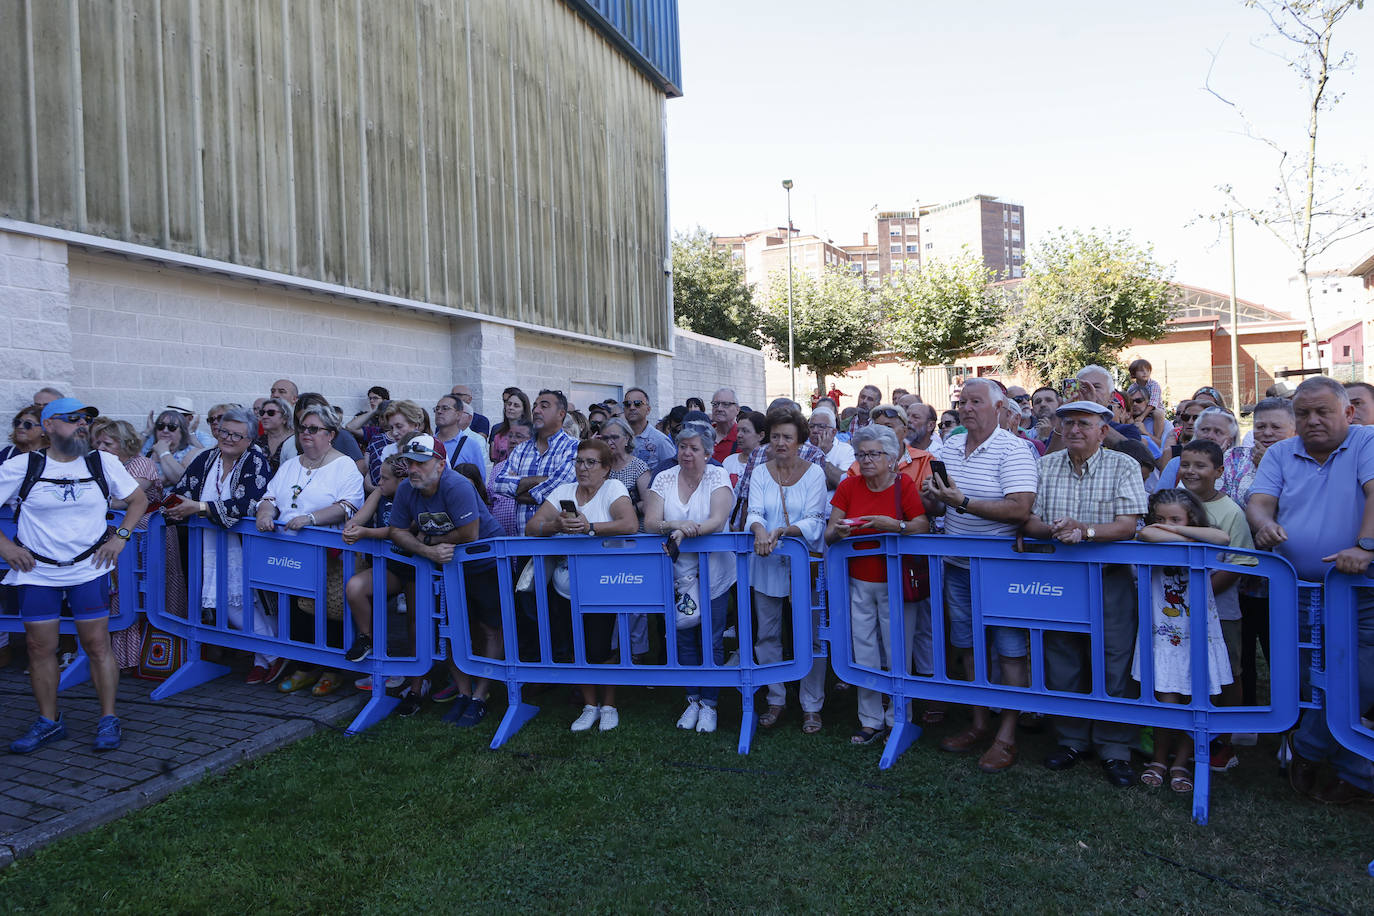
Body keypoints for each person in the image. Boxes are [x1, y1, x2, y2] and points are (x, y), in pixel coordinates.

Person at [1247, 376, 1374, 804]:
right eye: (1303, 413)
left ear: (1348, 413)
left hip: (1359, 588)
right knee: (1307, 678)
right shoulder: (1281, 452)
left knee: (1361, 676)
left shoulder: (1366, 441)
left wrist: (1365, 546)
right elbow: (1259, 502)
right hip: (1299, 590)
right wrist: (1264, 525)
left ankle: (1310, 747)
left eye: (1323, 411)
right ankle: (1354, 772)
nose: (1313, 420)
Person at [3, 397, 148, 753]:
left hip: (88, 569)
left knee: (97, 645)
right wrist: (6, 548)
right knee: (40, 648)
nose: (82, 425)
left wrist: (120, 538)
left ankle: (108, 718)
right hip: (37, 572)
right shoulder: (24, 465)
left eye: (85, 419)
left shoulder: (103, 462)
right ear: (49, 425)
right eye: (72, 419)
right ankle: (49, 721)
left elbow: (139, 501)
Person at [1022, 399, 1148, 788]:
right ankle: (1072, 740)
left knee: (1114, 659)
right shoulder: (1044, 465)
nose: (1074, 430)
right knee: (1062, 657)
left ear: (1103, 430)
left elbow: (1128, 525)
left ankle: (1115, 747)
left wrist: (1085, 531)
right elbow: (1028, 519)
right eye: (1068, 423)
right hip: (1059, 578)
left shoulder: (1123, 465)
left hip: (1109, 578)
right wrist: (1052, 530)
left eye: (1084, 423)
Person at [920, 378, 1038, 772]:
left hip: (1003, 567)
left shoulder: (1014, 449)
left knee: (1009, 650)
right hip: (958, 564)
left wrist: (963, 501)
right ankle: (979, 723)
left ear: (999, 407)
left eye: (976, 402)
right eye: (962, 402)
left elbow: (1020, 509)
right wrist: (933, 498)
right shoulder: (949, 447)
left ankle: (1007, 736)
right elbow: (941, 509)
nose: (967, 408)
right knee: (968, 645)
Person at [825, 425, 928, 745]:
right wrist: (840, 531)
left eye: (873, 454)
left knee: (898, 651)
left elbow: (922, 525)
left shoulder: (903, 485)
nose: (866, 460)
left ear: (890, 457)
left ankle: (899, 718)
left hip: (896, 583)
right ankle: (869, 720)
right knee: (864, 651)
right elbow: (829, 533)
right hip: (858, 580)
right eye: (861, 455)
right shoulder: (849, 486)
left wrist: (895, 526)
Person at [526, 439, 639, 731]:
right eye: (579, 461)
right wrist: (556, 526)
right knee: (577, 646)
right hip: (564, 587)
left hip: (604, 586)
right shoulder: (564, 491)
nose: (583, 468)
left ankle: (609, 706)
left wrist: (590, 528)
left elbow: (629, 524)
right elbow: (532, 527)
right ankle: (590, 706)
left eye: (591, 462)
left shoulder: (613, 488)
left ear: (606, 468)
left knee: (602, 648)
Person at [163, 406, 281, 684]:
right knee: (230, 603)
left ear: (249, 439)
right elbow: (183, 491)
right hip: (209, 545)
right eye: (224, 432)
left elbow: (248, 503)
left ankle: (270, 655)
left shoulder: (255, 461)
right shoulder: (206, 458)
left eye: (236, 435)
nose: (228, 438)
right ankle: (268, 656)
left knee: (249, 603)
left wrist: (200, 507)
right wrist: (175, 508)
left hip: (246, 545)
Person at [255, 404, 365, 699]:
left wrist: (311, 518)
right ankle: (305, 666)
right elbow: (270, 496)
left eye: (314, 429)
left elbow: (348, 505)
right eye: (303, 428)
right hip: (290, 552)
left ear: (331, 434)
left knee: (330, 609)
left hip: (330, 553)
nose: (306, 433)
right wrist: (265, 513)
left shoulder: (344, 466)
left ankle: (333, 670)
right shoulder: (291, 465)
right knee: (295, 608)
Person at [1133, 487, 1233, 792]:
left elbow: (1223, 538)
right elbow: (1147, 534)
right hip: (1164, 633)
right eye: (1160, 518)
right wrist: (1190, 540)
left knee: (1198, 697)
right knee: (1165, 698)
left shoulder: (1203, 535)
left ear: (1192, 519)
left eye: (1175, 519)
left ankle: (1183, 761)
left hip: (1199, 632)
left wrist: (1177, 532)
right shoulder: (1150, 535)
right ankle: (1160, 759)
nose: (1165, 524)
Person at [643, 421, 736, 734]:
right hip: (677, 572)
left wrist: (687, 531)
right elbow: (651, 522)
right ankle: (692, 699)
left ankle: (710, 703)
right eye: (682, 447)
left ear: (707, 453)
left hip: (714, 572)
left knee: (711, 637)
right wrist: (677, 525)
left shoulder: (717, 475)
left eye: (694, 448)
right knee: (682, 634)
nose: (686, 453)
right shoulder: (664, 477)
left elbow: (717, 520)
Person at [745, 406, 828, 733]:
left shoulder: (815, 472)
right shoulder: (760, 472)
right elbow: (754, 510)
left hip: (805, 564)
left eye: (787, 437)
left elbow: (815, 519)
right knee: (767, 634)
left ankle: (812, 705)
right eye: (776, 436)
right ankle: (775, 698)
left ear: (800, 440)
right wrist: (759, 530)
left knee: (811, 636)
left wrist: (782, 532)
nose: (780, 443)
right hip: (766, 562)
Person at [1177, 437, 1255, 772]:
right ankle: (1185, 735)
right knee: (1183, 667)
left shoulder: (1231, 512)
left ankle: (1224, 741)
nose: (1191, 471)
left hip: (1220, 609)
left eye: (1200, 465)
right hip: (1175, 609)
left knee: (1228, 672)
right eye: (1185, 464)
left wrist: (1199, 594)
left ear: (1219, 471)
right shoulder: (1174, 504)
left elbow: (1239, 562)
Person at [1220, 397, 1296, 706]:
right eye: (1260, 426)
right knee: (1241, 652)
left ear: (1294, 428)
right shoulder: (1234, 458)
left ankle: (1290, 718)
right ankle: (1246, 714)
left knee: (1284, 651)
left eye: (1276, 427)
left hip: (1284, 576)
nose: (1266, 433)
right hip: (1237, 575)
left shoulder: (1300, 459)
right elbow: (1223, 504)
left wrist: (1269, 467)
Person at [90, 418, 166, 670]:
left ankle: (150, 660)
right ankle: (121, 658)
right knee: (119, 594)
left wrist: (89, 499)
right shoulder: (99, 464)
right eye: (97, 443)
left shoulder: (141, 464)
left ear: (125, 443)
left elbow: (125, 500)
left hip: (144, 538)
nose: (100, 448)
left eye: (107, 443)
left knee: (142, 595)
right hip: (115, 538)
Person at [489, 389, 579, 535]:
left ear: (561, 414)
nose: (536, 410)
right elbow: (499, 484)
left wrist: (518, 493)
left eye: (544, 406)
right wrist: (540, 480)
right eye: (535, 406)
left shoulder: (573, 447)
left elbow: (560, 490)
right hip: (523, 540)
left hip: (559, 540)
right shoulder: (521, 449)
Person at [844, 405, 933, 490]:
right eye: (877, 428)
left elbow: (930, 498)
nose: (882, 433)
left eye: (888, 427)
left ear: (904, 431)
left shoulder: (924, 460)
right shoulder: (861, 463)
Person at [1158, 407, 1238, 489]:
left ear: (1230, 439)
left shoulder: (1239, 468)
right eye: (1205, 430)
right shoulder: (1177, 463)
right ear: (1196, 433)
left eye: (1218, 432)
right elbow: (1162, 495)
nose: (1210, 436)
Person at [595, 417, 650, 519]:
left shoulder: (638, 467)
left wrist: (624, 512)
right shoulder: (599, 466)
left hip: (633, 524)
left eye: (614, 437)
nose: (609, 442)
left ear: (627, 439)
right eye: (605, 438)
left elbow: (648, 503)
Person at [489, 419, 534, 536]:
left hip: (528, 539)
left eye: (519, 436)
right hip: (501, 539)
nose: (513, 441)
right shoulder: (498, 468)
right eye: (510, 436)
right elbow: (489, 503)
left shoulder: (537, 467)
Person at [434, 394, 488, 482]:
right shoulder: (428, 443)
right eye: (437, 409)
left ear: (458, 414)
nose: (439, 412)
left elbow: (480, 481)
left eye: (445, 408)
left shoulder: (471, 446)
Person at [147, 408, 205, 486]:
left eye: (172, 427)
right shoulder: (150, 451)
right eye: (160, 426)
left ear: (182, 431)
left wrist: (163, 452)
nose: (165, 430)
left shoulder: (192, 452)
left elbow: (182, 479)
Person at [622, 387, 673, 468]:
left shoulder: (661, 440)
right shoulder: (618, 437)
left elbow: (673, 470)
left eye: (637, 404)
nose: (632, 407)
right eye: (627, 404)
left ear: (648, 410)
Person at [807, 406, 853, 491]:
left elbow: (844, 483)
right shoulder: (801, 448)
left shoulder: (846, 450)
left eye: (821, 427)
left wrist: (821, 455)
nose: (815, 430)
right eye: (811, 426)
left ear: (834, 432)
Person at [725, 411, 767, 489]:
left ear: (761, 435)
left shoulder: (767, 464)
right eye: (738, 430)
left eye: (745, 431)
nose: (739, 435)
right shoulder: (729, 461)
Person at [489, 387, 531, 465]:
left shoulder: (532, 435)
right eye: (509, 404)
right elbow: (496, 463)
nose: (511, 408)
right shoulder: (499, 435)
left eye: (516, 405)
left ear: (523, 410)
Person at [254, 396, 296, 473]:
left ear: (285, 418)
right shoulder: (258, 441)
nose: (264, 416)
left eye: (271, 413)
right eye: (262, 413)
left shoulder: (296, 441)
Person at [708, 388, 741, 461]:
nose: (719, 409)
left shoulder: (742, 437)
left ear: (737, 409)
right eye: (715, 404)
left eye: (726, 404)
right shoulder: (704, 435)